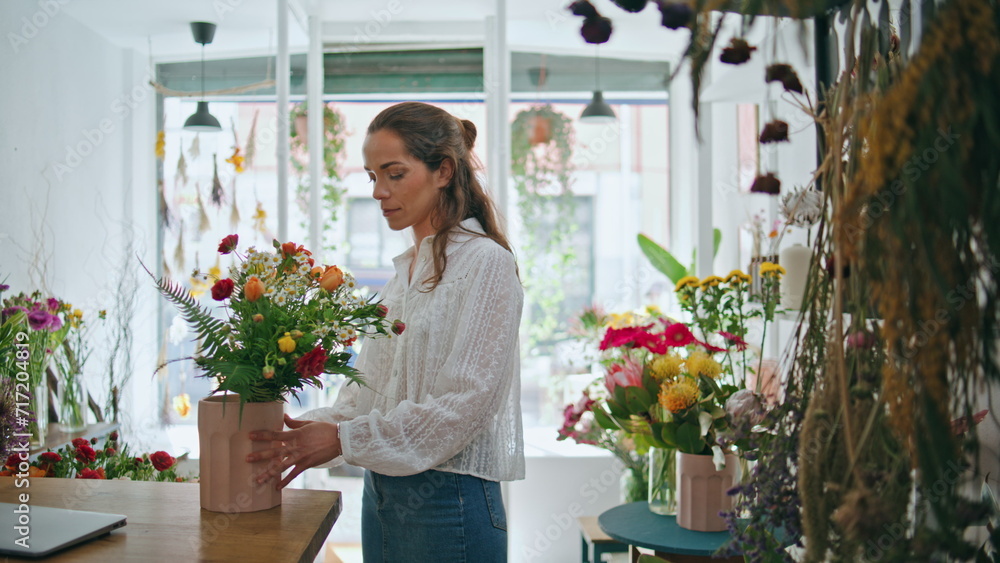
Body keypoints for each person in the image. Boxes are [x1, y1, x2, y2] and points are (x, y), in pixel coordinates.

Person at [248, 101, 524, 562]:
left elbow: (465, 407)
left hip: (448, 504)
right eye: (372, 176)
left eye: (394, 173)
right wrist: (290, 429)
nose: (379, 191)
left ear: (444, 171)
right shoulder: (403, 276)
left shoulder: (487, 264)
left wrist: (341, 441)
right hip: (380, 496)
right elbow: (366, 399)